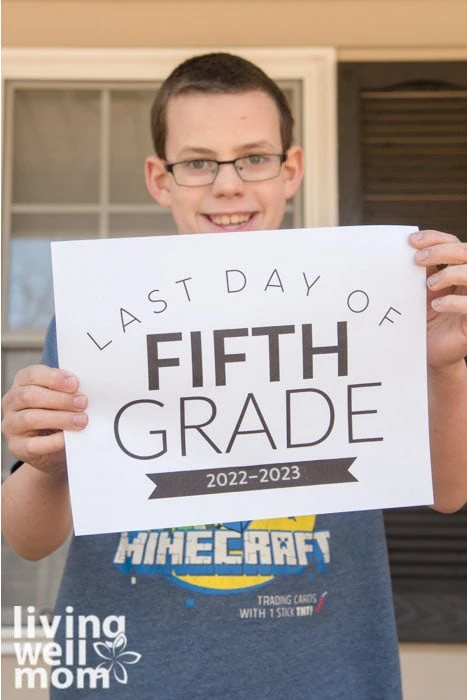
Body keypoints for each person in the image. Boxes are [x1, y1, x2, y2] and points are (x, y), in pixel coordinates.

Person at [2, 53, 467, 699]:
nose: (228, 184)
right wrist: (45, 458)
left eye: (253, 157)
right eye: (197, 162)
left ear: (291, 169)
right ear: (159, 179)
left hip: (328, 679)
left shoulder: (365, 301)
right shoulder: (97, 317)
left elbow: (447, 492)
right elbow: (28, 541)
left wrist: (443, 368)